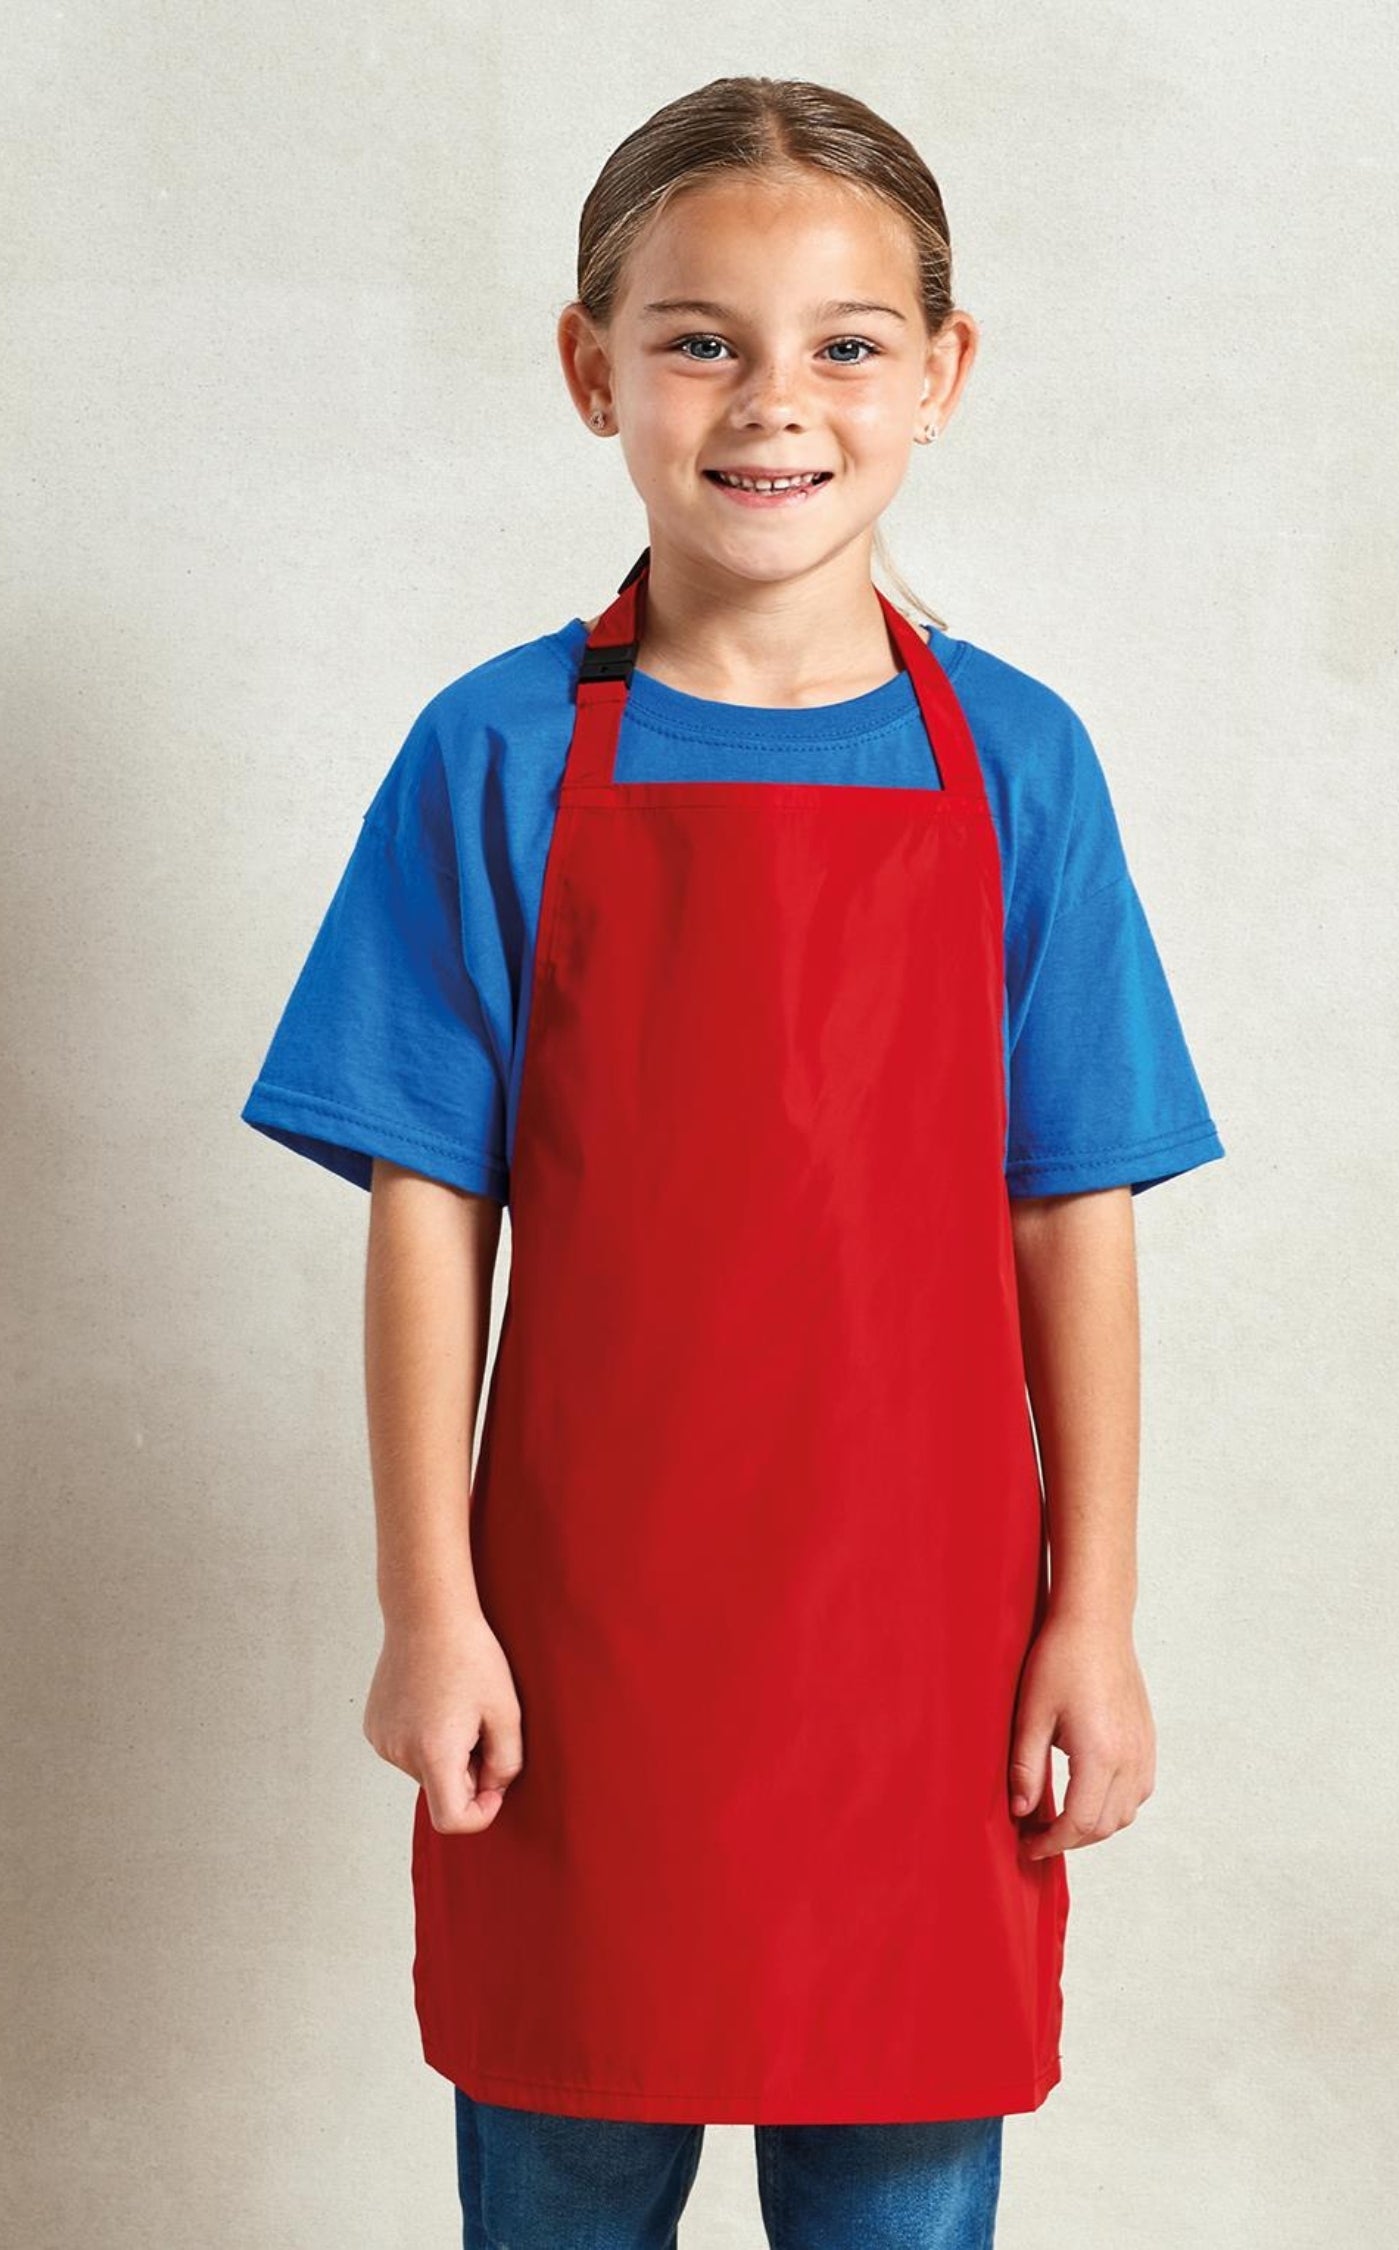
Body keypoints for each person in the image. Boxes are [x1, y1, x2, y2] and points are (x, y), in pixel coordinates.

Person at [241, 73, 1226, 2250]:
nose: (774, 400)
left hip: (924, 1668)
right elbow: (429, 1211)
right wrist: (430, 1610)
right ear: (592, 367)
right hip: (580, 1659)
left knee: (896, 2193)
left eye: (845, 344)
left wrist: (1095, 1616)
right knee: (565, 2176)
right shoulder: (494, 755)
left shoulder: (1022, 767)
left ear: (941, 375)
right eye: (701, 338)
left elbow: (1072, 1210)